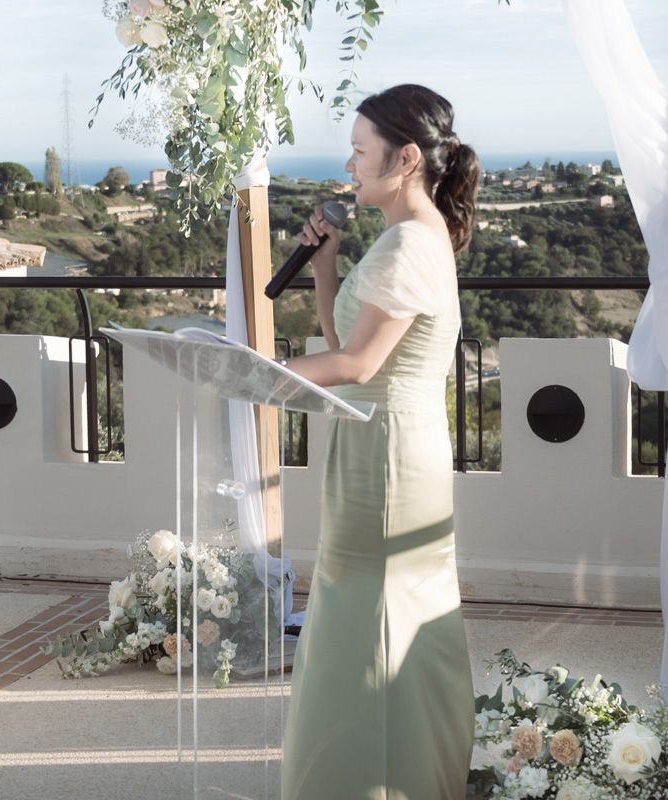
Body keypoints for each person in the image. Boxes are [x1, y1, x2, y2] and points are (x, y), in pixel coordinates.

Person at [279, 84, 478, 799]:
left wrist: (254, 376)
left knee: (372, 620)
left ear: (408, 158)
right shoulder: (411, 236)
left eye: (361, 151)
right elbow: (346, 345)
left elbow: (356, 368)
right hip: (380, 440)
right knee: (369, 612)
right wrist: (327, 263)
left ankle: (376, 783)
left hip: (389, 454)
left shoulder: (409, 243)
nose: (350, 163)